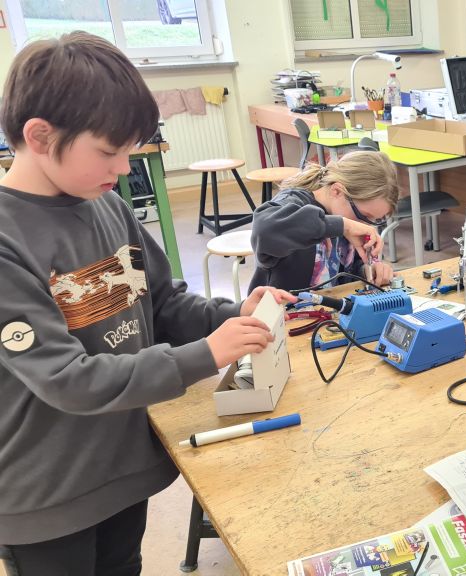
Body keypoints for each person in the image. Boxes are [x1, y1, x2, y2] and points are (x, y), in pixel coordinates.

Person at [0, 32, 294, 575]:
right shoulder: (7, 241)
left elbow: (162, 303)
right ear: (40, 136)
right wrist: (206, 355)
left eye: (129, 153)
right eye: (109, 153)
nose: (122, 169)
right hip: (46, 492)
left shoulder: (108, 205)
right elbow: (66, 378)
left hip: (122, 464)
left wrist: (234, 317)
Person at [248, 151, 400, 293]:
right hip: (283, 316)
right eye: (364, 216)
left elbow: (345, 270)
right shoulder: (293, 203)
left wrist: (367, 271)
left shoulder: (345, 212)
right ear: (337, 191)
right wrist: (343, 226)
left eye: (374, 220)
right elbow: (264, 231)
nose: (365, 225)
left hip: (328, 313)